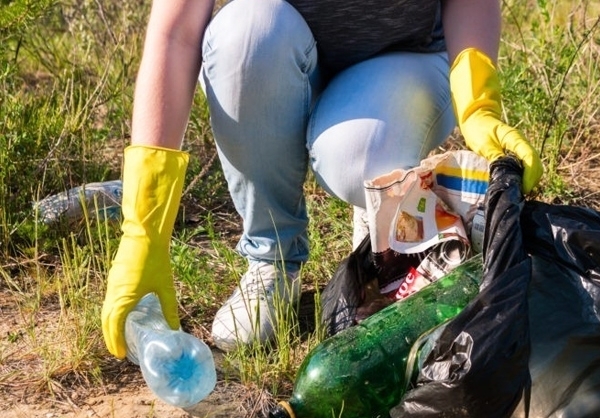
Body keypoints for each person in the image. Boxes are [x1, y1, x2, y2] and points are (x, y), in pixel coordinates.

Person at [101, 0, 544, 359]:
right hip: (272, 53)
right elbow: (176, 33)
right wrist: (143, 230)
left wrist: (476, 103)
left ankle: (377, 229)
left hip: (404, 59)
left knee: (362, 158)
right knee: (245, 37)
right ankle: (272, 260)